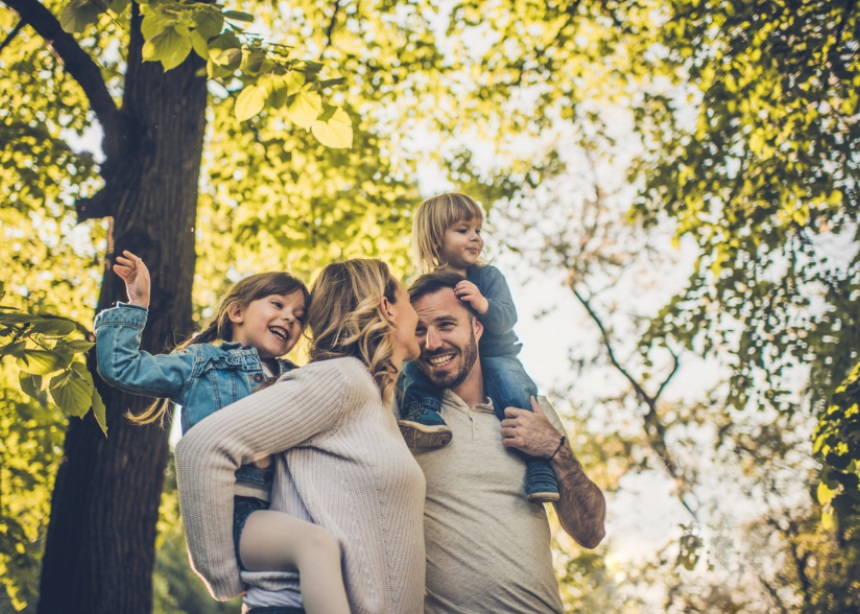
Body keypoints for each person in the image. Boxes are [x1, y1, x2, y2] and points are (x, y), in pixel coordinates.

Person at [94, 251, 350, 614]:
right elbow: (121, 367)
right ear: (237, 312)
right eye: (277, 304)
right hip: (236, 513)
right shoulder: (203, 363)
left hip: (284, 509)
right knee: (316, 546)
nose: (288, 319)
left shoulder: (295, 377)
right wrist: (138, 303)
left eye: (299, 317)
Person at [174, 259, 426, 614]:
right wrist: (223, 574)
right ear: (387, 308)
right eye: (410, 303)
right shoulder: (341, 380)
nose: (420, 317)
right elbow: (201, 448)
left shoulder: (377, 399)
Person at [403, 271, 606, 613]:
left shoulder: (531, 409)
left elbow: (591, 531)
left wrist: (555, 449)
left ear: (478, 328)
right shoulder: (403, 413)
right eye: (420, 331)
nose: (432, 343)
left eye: (446, 325)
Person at [398, 192, 559, 502]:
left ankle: (539, 466)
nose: (475, 238)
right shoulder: (425, 287)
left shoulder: (488, 277)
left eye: (478, 231)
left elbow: (508, 318)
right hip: (450, 360)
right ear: (434, 240)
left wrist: (482, 303)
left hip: (496, 354)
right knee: (412, 364)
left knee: (514, 389)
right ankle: (424, 412)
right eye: (463, 230)